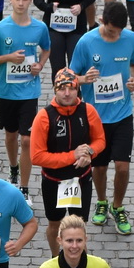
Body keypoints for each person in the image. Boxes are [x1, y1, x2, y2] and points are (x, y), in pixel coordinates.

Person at [68, 1, 134, 234]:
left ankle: (117, 206)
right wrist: (83, 80)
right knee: (99, 168)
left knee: (122, 166)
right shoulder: (86, 42)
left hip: (122, 115)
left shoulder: (131, 39)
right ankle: (101, 202)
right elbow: (69, 77)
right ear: (101, 21)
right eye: (111, 31)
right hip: (94, 118)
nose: (115, 35)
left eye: (119, 32)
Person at [0, 0, 47, 192]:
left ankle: (25, 188)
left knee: (27, 140)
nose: (21, 3)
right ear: (10, 0)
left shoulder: (39, 27)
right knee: (11, 135)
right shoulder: (0, 29)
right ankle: (13, 167)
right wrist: (8, 57)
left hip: (29, 91)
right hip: (7, 93)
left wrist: (39, 65)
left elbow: (46, 49)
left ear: (30, 1)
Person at [28, 69, 103, 253]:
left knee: (79, 224)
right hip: (54, 181)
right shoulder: (45, 117)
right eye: (62, 88)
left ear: (78, 89)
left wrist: (89, 154)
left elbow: (100, 140)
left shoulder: (88, 111)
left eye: (71, 88)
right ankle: (56, 259)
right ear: (55, 90)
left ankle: (79, 259)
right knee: (55, 223)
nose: (67, 93)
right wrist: (73, 155)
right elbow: (37, 156)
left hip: (81, 179)